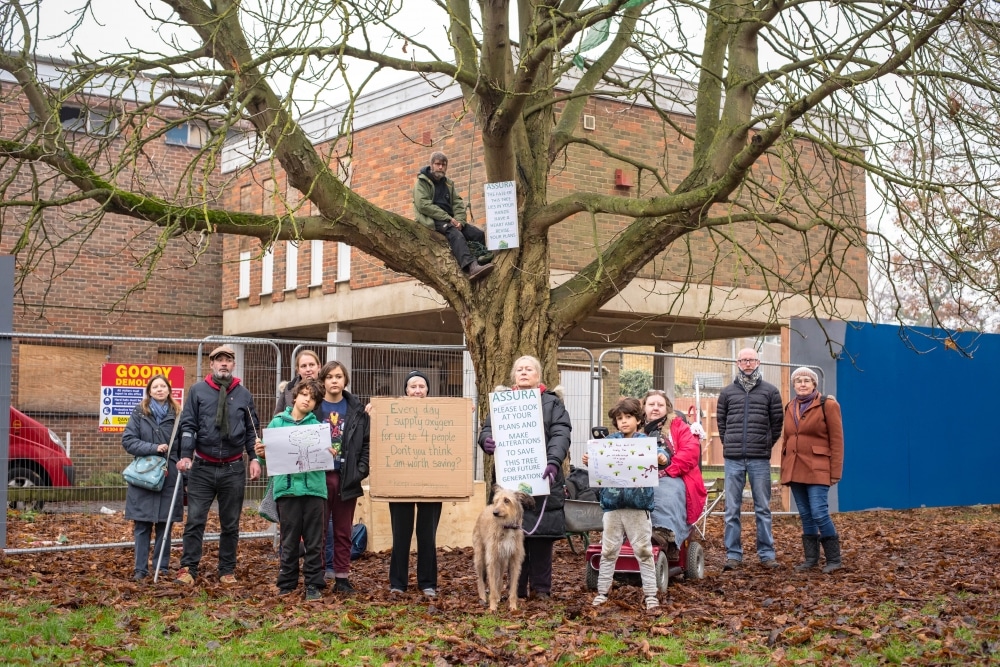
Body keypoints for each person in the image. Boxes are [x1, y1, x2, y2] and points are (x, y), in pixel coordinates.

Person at [478, 355, 572, 600]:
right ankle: (515, 590)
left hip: (543, 478)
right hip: (510, 481)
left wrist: (553, 462)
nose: (523, 372)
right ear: (513, 375)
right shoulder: (503, 402)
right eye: (519, 369)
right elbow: (488, 428)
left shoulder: (552, 404)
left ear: (538, 375)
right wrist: (485, 440)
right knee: (511, 536)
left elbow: (561, 433)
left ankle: (541, 590)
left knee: (541, 538)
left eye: (529, 369)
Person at [174, 345, 262, 585]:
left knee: (231, 523)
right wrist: (185, 455)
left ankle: (226, 571)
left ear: (233, 365)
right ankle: (188, 569)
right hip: (202, 467)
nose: (224, 364)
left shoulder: (243, 394)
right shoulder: (198, 391)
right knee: (195, 520)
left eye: (228, 360)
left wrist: (254, 457)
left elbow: (252, 430)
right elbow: (188, 425)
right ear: (211, 364)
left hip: (233, 468)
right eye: (219, 360)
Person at [363, 370, 444, 597]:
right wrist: (373, 416)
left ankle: (427, 582)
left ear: (428, 391)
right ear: (405, 391)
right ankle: (398, 583)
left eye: (421, 387)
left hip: (432, 483)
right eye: (412, 387)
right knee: (401, 534)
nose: (417, 391)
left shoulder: (441, 414)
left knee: (427, 535)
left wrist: (463, 415)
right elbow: (375, 438)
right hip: (399, 482)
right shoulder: (392, 414)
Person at [255, 379, 329, 600]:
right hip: (286, 491)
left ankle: (313, 585)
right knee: (289, 540)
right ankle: (287, 583)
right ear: (295, 396)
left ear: (316, 403)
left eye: (313, 397)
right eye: (304, 394)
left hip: (314, 491)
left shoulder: (318, 427)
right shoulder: (277, 424)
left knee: (314, 541)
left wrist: (329, 453)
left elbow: (325, 455)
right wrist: (261, 453)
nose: (307, 399)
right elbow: (271, 459)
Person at [583, 397, 659, 612]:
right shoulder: (607, 444)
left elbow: (662, 456)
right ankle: (602, 592)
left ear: (638, 419)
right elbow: (597, 465)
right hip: (613, 506)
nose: (624, 422)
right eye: (619, 418)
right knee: (608, 550)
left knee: (643, 550)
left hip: (638, 506)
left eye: (628, 417)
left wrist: (660, 458)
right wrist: (590, 460)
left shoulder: (646, 443)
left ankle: (651, 595)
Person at [717, 348, 784, 571]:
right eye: (744, 360)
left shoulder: (771, 392)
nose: (747, 363)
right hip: (733, 459)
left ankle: (766, 554)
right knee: (731, 509)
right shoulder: (727, 393)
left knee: (763, 508)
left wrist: (765, 445)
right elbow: (721, 422)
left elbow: (777, 425)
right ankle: (733, 555)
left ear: (758, 362)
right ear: (737, 362)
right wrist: (730, 443)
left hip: (759, 459)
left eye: (751, 360)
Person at [781, 367, 844, 573]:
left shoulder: (828, 405)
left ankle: (834, 559)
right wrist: (785, 467)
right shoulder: (789, 406)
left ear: (814, 384)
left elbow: (837, 440)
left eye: (807, 380)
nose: (802, 384)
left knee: (819, 512)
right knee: (806, 514)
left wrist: (835, 471)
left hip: (818, 467)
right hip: (795, 467)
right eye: (798, 380)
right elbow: (787, 439)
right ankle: (811, 559)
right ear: (793, 385)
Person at [122, 374, 183, 581]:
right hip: (143, 475)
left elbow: (185, 445)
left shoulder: (178, 414)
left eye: (163, 386)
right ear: (149, 391)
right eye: (155, 386)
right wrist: (153, 448)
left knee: (165, 524)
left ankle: (161, 568)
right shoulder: (140, 413)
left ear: (169, 390)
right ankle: (140, 569)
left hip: (169, 474)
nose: (159, 389)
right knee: (142, 525)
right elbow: (128, 441)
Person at [316, 360, 370, 594]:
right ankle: (316, 575)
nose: (334, 381)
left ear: (345, 380)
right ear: (323, 381)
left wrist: (360, 470)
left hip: (346, 477)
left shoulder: (357, 410)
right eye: (329, 377)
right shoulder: (314, 407)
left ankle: (342, 577)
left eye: (338, 376)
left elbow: (367, 443)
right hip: (318, 477)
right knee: (317, 530)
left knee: (343, 530)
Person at [642, 390, 707, 557]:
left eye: (660, 405)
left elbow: (691, 452)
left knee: (665, 491)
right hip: (640, 475)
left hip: (675, 475)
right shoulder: (634, 426)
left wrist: (667, 470)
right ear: (644, 407)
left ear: (667, 408)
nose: (655, 408)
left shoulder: (678, 426)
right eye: (651, 404)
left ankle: (663, 532)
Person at [413, 151, 495, 281]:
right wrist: (448, 218)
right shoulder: (422, 182)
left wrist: (460, 221)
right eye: (438, 164)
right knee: (456, 235)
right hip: (433, 219)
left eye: (443, 165)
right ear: (431, 165)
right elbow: (423, 205)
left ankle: (482, 261)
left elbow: (457, 203)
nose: (440, 167)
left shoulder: (448, 184)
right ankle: (471, 267)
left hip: (451, 219)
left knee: (477, 234)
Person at [274, 349, 322, 416]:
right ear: (298, 370)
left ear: (319, 367)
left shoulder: (328, 389)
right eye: (303, 366)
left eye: (311, 365)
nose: (308, 369)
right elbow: (277, 416)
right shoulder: (289, 389)